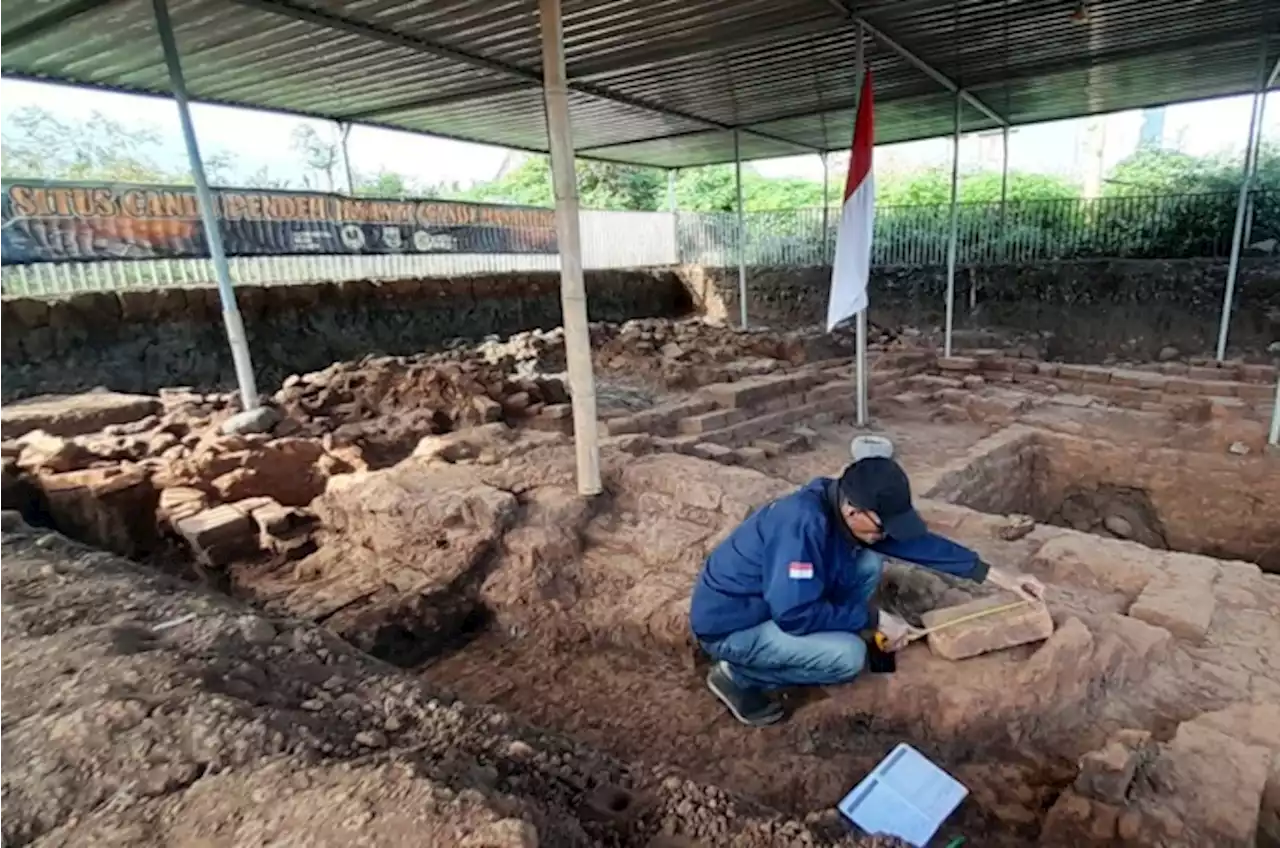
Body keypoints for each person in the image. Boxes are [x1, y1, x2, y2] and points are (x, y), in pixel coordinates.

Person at [689, 456, 1045, 727]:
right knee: (848, 658)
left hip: (784, 599)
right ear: (853, 510)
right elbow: (793, 615)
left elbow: (919, 545)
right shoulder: (801, 525)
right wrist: (873, 617)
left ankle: (848, 631)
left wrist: (999, 576)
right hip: (736, 624)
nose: (886, 534)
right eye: (881, 526)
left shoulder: (843, 500)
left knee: (869, 562)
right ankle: (736, 675)